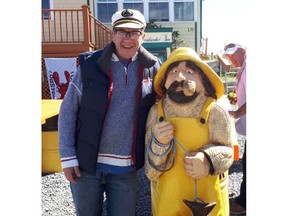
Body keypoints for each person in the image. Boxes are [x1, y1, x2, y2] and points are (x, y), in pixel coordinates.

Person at [58, 9, 161, 216]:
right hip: (86, 165)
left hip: (126, 168)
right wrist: (68, 156)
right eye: (121, 31)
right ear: (112, 34)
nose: (127, 38)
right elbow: (68, 110)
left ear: (143, 36)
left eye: (134, 32)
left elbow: (165, 107)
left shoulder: (153, 67)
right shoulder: (89, 65)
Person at [144, 47, 237, 215]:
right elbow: (151, 172)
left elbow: (228, 151)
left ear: (203, 79)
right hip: (168, 200)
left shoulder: (214, 111)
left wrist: (208, 160)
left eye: (189, 71)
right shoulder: (156, 113)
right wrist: (159, 145)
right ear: (164, 80)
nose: (180, 77)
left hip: (207, 198)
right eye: (173, 72)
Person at [223, 43, 246, 214]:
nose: (231, 60)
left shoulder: (249, 70)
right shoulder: (243, 69)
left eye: (233, 56)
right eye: (229, 57)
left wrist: (237, 112)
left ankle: (243, 203)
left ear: (243, 51)